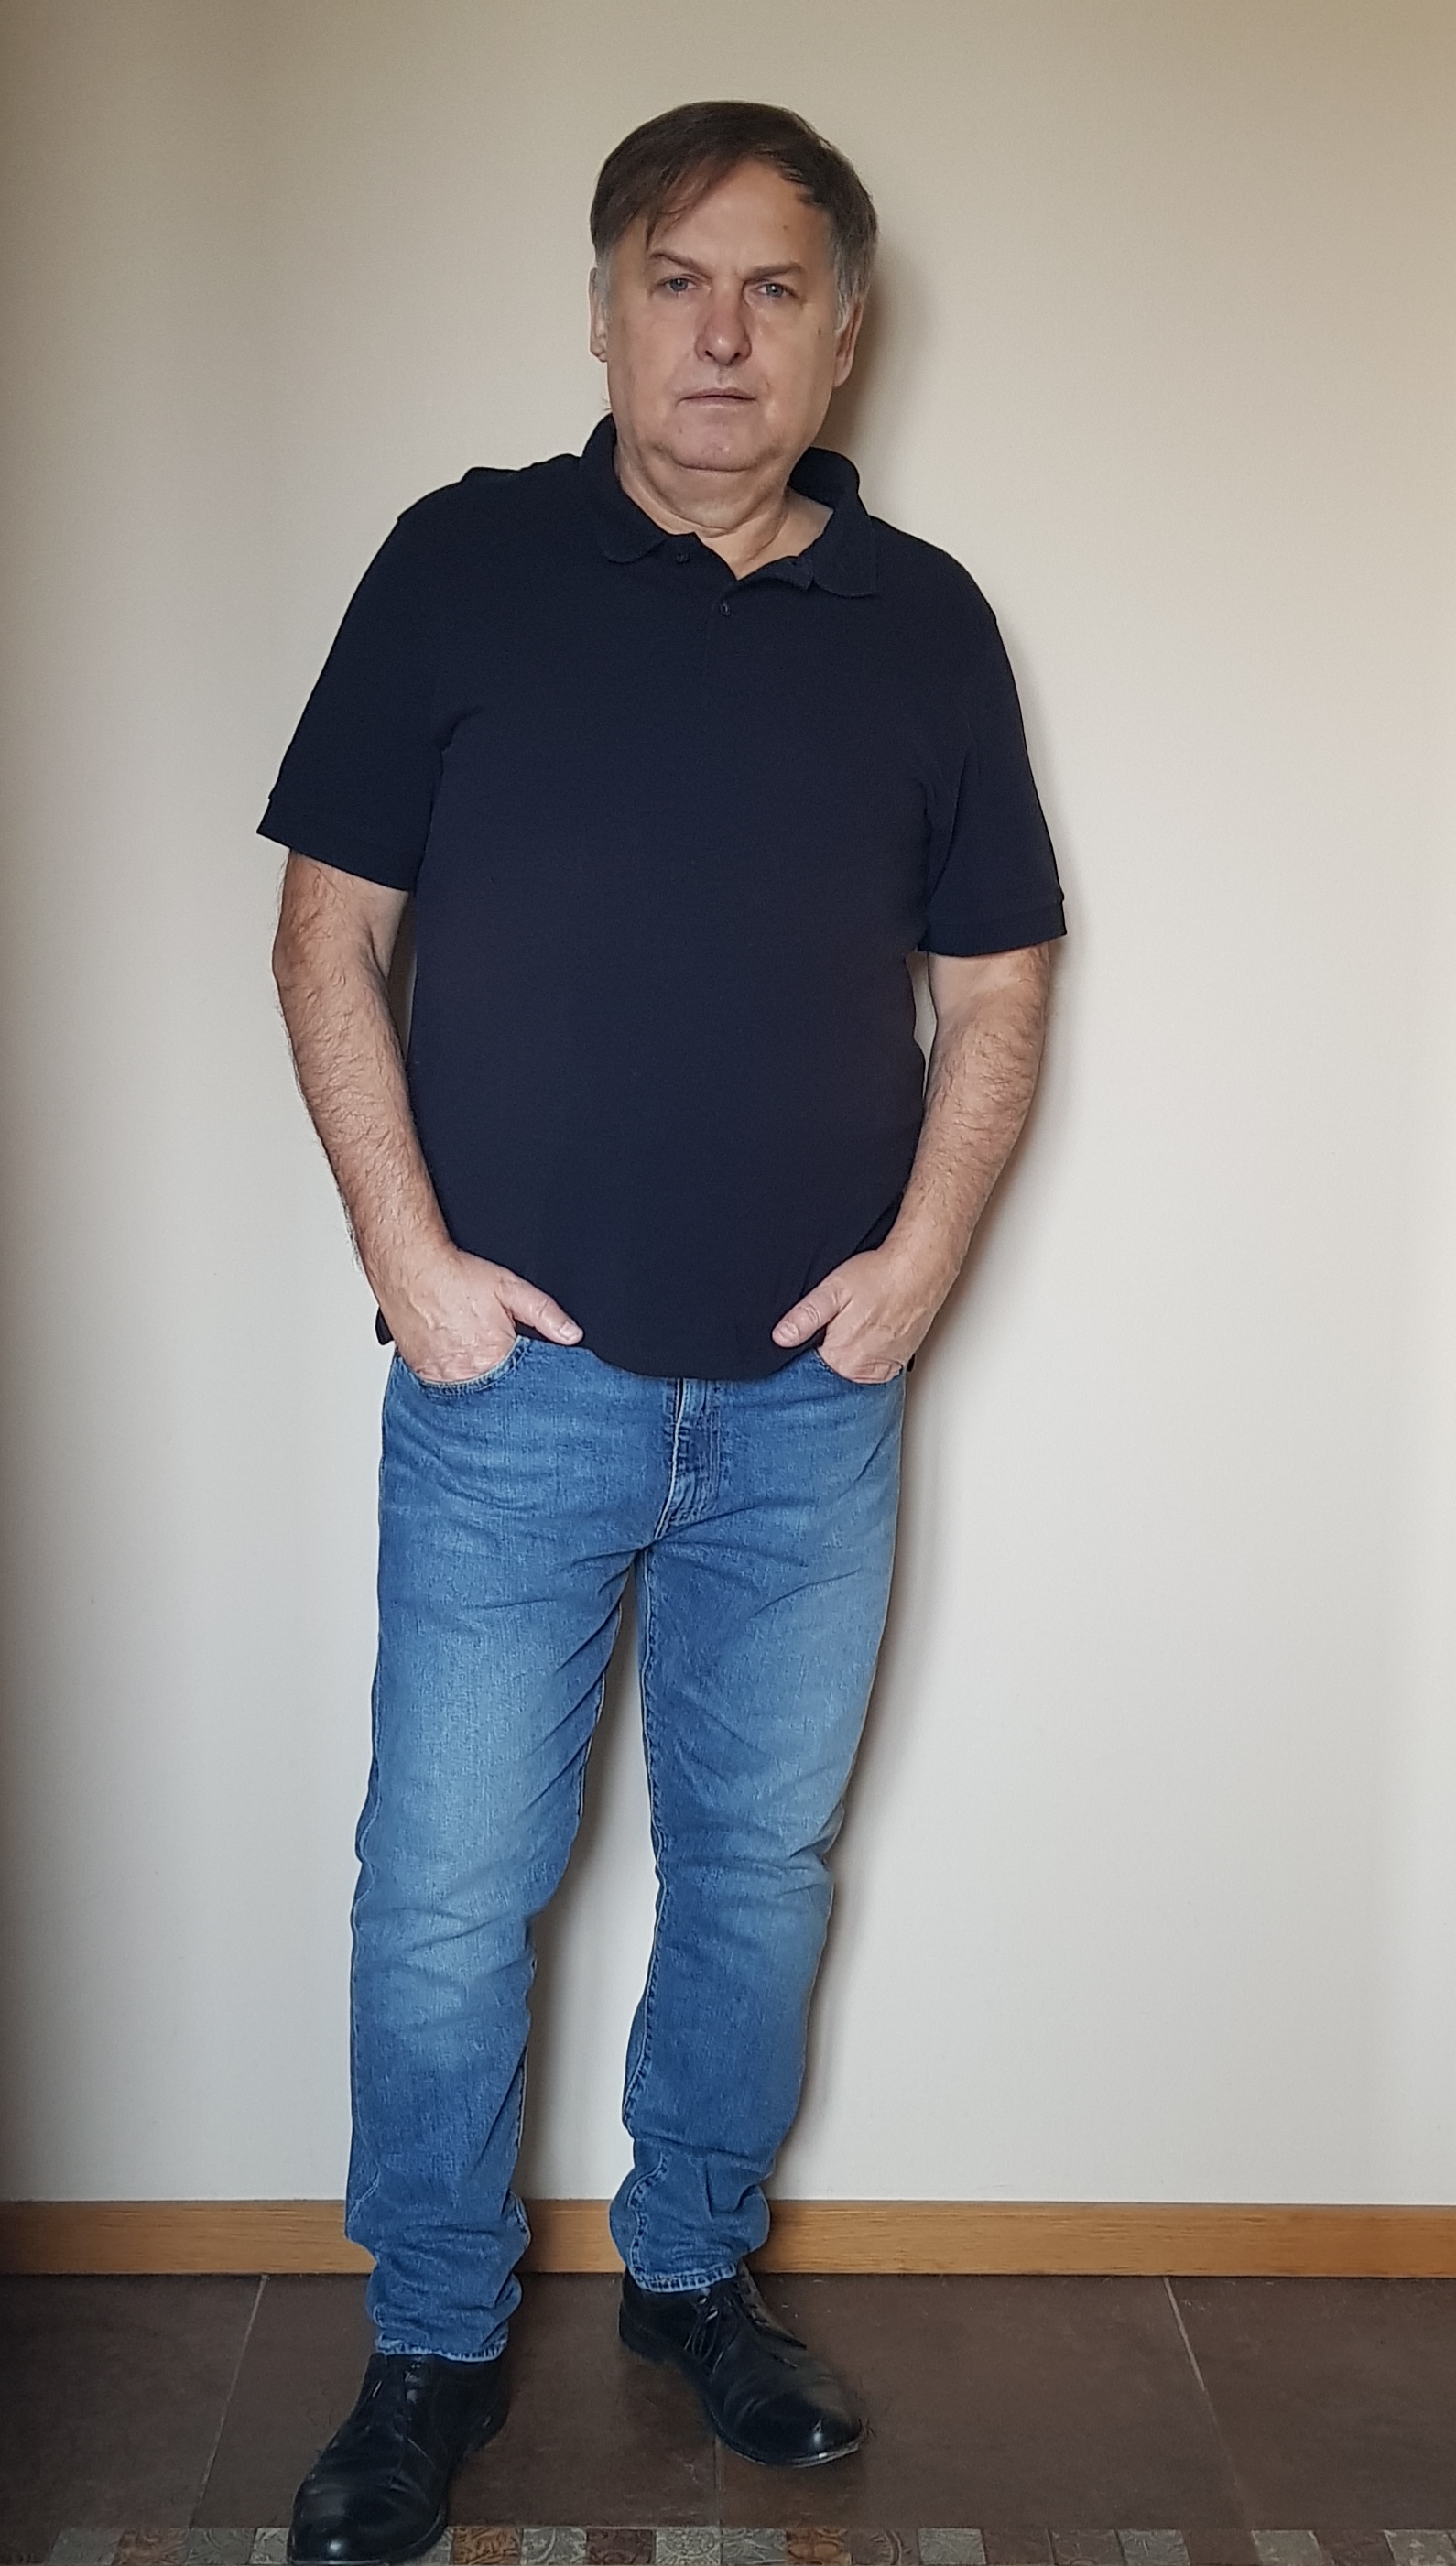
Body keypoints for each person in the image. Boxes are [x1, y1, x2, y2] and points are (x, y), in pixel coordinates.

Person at [262, 96, 1064, 2566]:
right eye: (676, 281)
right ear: (604, 312)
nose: (724, 334)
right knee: (442, 1888)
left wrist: (922, 1268)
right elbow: (324, 934)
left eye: (775, 287)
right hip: (513, 1398)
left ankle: (695, 2274)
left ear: (844, 333)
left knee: (755, 1872)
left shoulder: (924, 619)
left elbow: (1002, 984)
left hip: (812, 1414)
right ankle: (430, 2335)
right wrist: (410, 1258)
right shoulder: (459, 563)